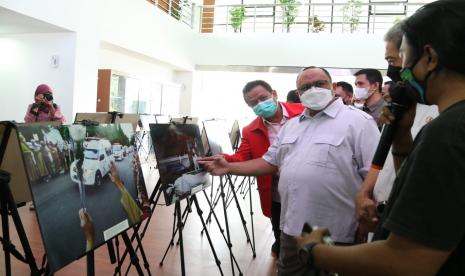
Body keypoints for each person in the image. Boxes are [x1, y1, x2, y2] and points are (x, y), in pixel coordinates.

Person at [296, 1, 465, 274]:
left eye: (403, 55)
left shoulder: (447, 133)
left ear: (430, 58)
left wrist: (314, 249)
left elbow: (407, 260)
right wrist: (400, 139)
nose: (400, 70)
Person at [200, 67, 380, 275]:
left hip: (332, 227)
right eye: (305, 87)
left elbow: (374, 175)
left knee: (328, 271)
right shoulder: (293, 126)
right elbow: (269, 161)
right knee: (291, 271)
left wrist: (368, 218)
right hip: (294, 226)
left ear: (332, 87)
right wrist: (230, 167)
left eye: (319, 84)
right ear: (298, 93)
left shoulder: (358, 122)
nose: (313, 89)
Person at [355, 21, 438, 241]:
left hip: (412, 224)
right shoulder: (402, 104)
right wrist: (364, 193)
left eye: (394, 59)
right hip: (384, 208)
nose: (396, 71)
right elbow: (383, 160)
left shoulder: (440, 109)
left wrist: (317, 252)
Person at [224, 80, 304, 258]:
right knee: (280, 229)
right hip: (275, 189)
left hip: (308, 187)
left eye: (263, 98)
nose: (260, 104)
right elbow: (242, 156)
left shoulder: (303, 112)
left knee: (309, 232)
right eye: (253, 103)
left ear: (274, 94)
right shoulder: (250, 130)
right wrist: (222, 158)